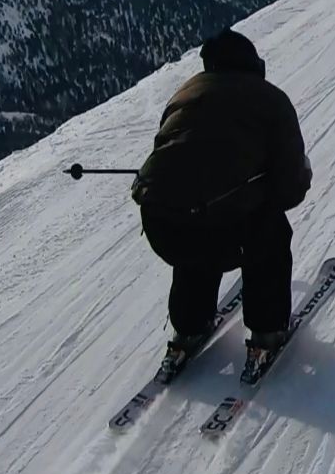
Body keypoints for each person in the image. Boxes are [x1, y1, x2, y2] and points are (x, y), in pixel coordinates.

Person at [132, 29, 312, 370]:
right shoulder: (271, 100)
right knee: (267, 232)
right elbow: (289, 190)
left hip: (161, 226)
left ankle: (188, 328)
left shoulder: (183, 94)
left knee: (193, 224)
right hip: (224, 230)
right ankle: (267, 332)